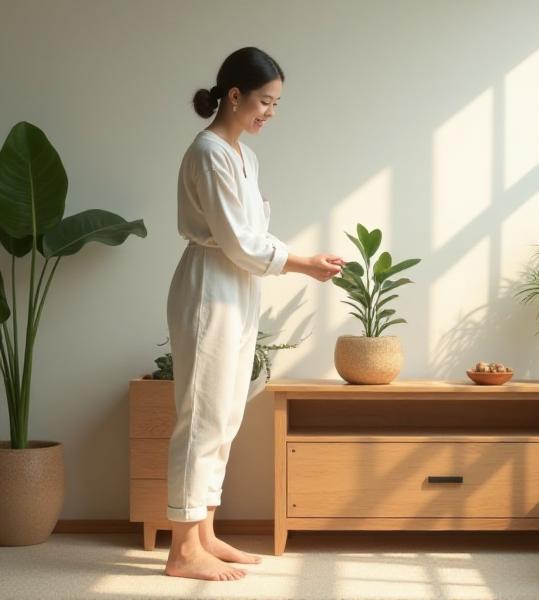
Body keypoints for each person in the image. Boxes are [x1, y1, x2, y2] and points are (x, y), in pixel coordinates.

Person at [164, 47, 343, 581]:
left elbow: (253, 236)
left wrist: (294, 258)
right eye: (265, 101)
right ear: (235, 95)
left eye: (277, 103)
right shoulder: (209, 152)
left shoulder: (245, 155)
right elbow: (237, 240)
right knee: (200, 415)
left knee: (224, 413)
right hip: (209, 285)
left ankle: (205, 534)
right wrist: (301, 263)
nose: (271, 112)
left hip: (238, 285)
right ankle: (181, 549)